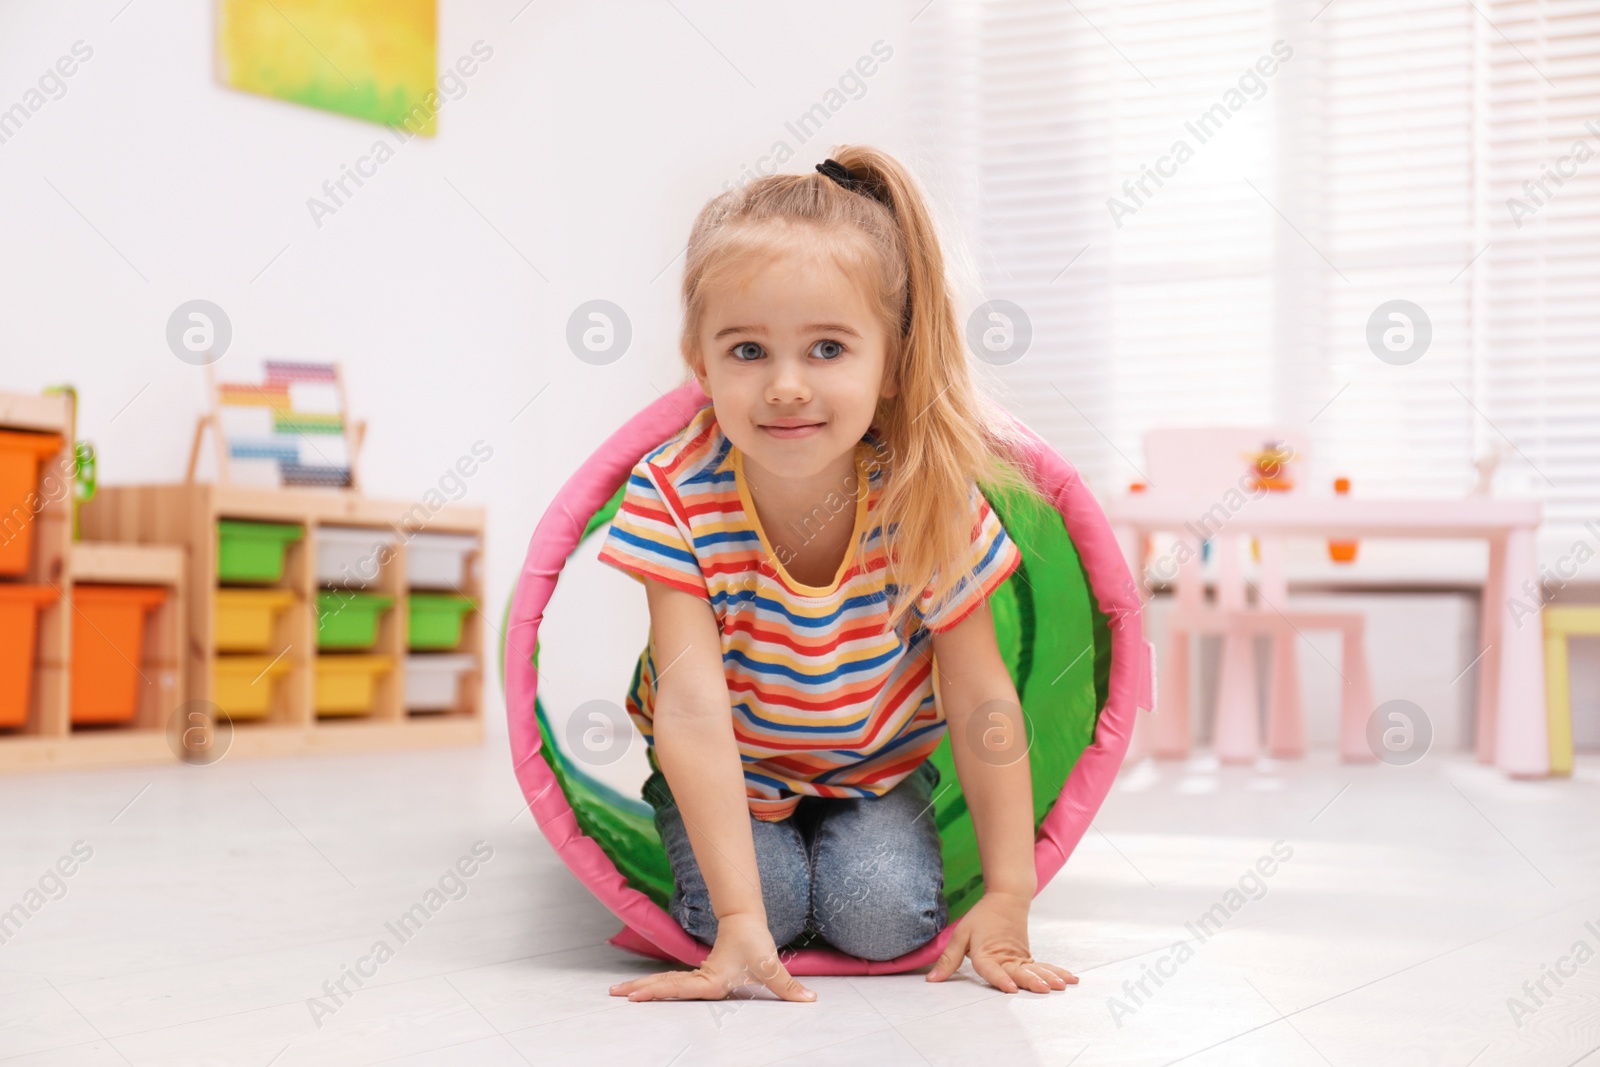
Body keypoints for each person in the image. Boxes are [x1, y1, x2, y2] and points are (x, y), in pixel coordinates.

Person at [600, 145, 1078, 1003]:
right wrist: (740, 919)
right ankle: (752, 883)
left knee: (883, 916)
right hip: (732, 767)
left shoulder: (925, 497)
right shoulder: (674, 491)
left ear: (890, 363)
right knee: (762, 911)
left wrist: (1010, 890)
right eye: (747, 350)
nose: (786, 386)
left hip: (874, 769)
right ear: (699, 361)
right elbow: (694, 702)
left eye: (827, 347)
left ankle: (832, 845)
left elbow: (981, 699)